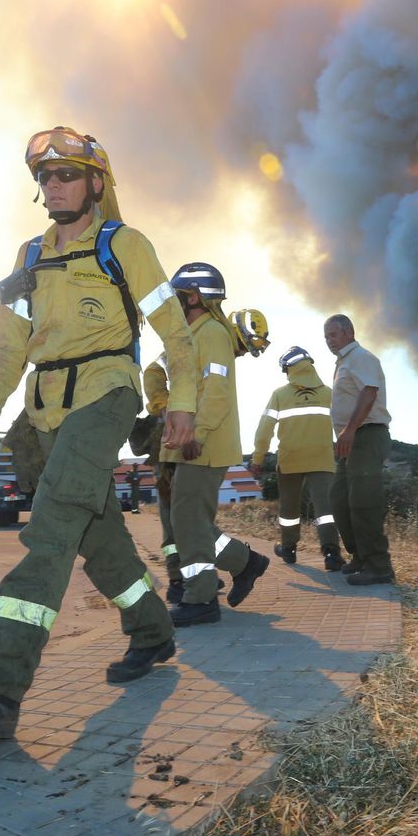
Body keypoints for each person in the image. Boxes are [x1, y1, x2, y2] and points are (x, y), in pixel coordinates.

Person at [0, 126, 199, 740]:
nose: (54, 185)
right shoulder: (28, 258)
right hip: (44, 407)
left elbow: (173, 332)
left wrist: (181, 402)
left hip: (106, 393)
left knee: (48, 533)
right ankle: (154, 632)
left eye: (67, 174)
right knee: (99, 541)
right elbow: (9, 341)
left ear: (96, 183)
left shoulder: (123, 244)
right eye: (45, 178)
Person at [158, 266, 270, 625]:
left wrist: (197, 433)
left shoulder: (211, 333)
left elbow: (216, 393)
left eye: (178, 295)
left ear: (192, 297)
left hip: (204, 443)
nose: (173, 301)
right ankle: (244, 563)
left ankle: (201, 598)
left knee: (188, 522)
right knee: (187, 521)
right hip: (190, 442)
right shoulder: (192, 334)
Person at [250, 346, 342, 570]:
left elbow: (265, 429)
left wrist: (257, 458)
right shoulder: (329, 393)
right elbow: (343, 425)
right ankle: (331, 554)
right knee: (326, 509)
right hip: (322, 459)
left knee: (289, 510)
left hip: (291, 460)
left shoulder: (280, 394)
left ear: (287, 368)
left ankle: (289, 549)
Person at [325, 314, 394, 585]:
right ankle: (360, 556)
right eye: (326, 337)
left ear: (349, 331)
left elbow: (369, 392)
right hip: (349, 440)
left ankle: (378, 566)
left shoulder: (361, 357)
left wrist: (351, 429)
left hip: (366, 435)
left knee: (364, 504)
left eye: (333, 335)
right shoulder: (343, 362)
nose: (329, 341)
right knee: (339, 499)